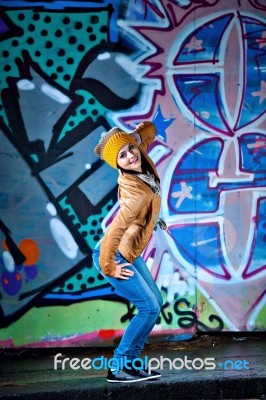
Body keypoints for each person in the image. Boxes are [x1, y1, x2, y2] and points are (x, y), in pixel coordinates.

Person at [92, 121, 166, 383]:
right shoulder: (135, 195)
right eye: (122, 155)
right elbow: (114, 232)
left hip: (127, 252)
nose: (130, 155)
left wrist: (130, 137)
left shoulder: (139, 158)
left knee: (155, 303)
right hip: (113, 254)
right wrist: (109, 266)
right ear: (117, 164)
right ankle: (119, 366)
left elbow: (150, 129)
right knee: (148, 307)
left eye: (130, 149)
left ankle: (131, 364)